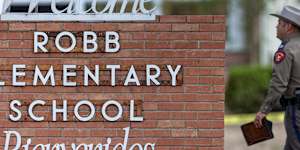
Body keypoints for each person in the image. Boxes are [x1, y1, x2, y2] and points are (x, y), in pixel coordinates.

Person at [254, 5, 300, 150]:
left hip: (296, 110)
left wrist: (264, 110)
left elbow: (279, 84)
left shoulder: (286, 50)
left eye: (279, 23)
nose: (276, 26)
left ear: (288, 27)